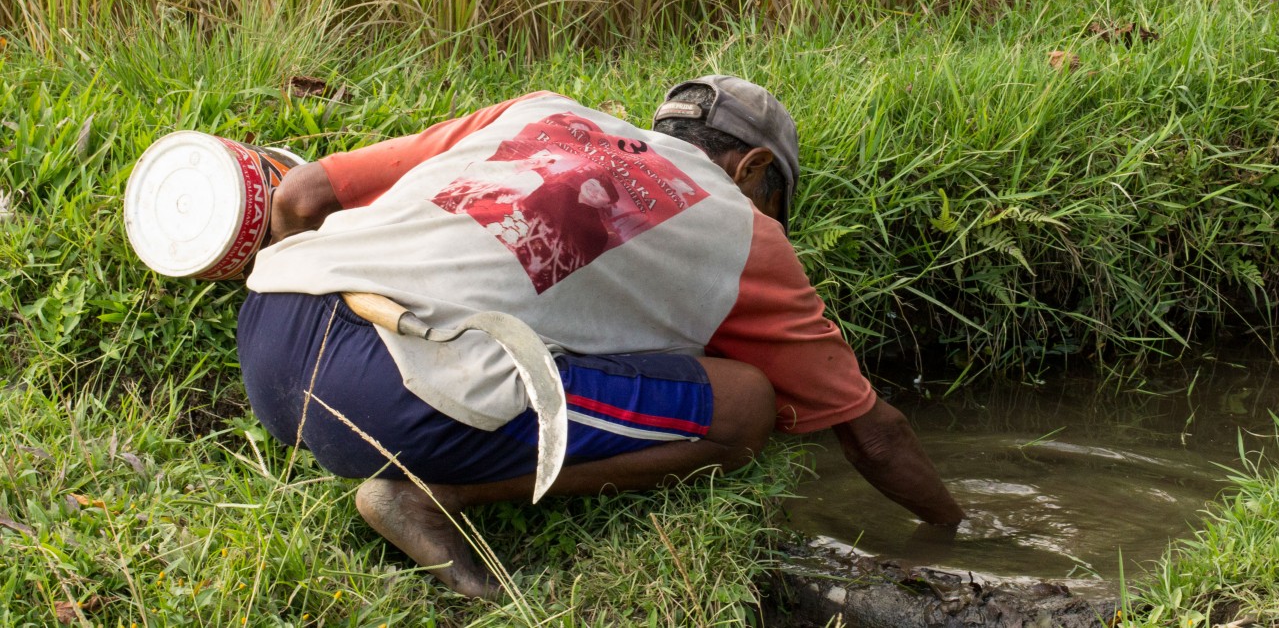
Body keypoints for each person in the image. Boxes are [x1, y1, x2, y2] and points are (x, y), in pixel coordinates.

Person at [240, 75, 963, 598]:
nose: (775, 224)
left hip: (269, 331)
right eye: (778, 206)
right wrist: (957, 529)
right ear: (755, 170)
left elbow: (300, 197)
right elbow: (873, 435)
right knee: (745, 406)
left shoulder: (539, 112)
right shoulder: (745, 233)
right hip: (384, 397)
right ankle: (430, 495)